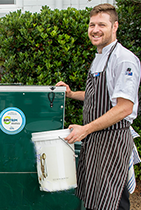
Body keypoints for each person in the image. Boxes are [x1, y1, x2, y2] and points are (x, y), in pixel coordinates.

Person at [56, 3, 141, 210]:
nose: (95, 30)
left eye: (102, 24)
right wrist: (71, 94)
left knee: (112, 201)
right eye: (92, 24)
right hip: (96, 141)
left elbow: (124, 108)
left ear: (115, 26)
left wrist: (85, 130)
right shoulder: (100, 57)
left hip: (112, 142)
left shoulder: (124, 60)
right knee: (96, 199)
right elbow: (99, 96)